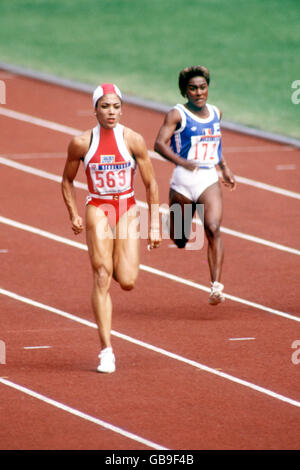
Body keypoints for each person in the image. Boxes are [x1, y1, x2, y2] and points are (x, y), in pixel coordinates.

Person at [62, 83, 161, 373]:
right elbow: (66, 181)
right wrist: (73, 214)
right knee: (102, 274)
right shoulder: (81, 143)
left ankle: (115, 257)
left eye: (116, 106)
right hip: (98, 209)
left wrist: (155, 225)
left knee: (127, 281)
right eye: (105, 106)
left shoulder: (133, 140)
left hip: (127, 208)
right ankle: (106, 350)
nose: (111, 112)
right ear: (95, 109)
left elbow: (151, 183)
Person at [154, 66, 236, 305]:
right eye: (193, 88)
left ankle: (216, 287)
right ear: (185, 91)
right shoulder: (176, 114)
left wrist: (225, 168)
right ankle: (171, 219)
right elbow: (159, 144)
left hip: (208, 178)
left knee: (212, 227)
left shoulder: (216, 113)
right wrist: (182, 162)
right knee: (180, 240)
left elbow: (216, 144)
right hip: (182, 179)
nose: (199, 92)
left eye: (202, 87)